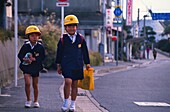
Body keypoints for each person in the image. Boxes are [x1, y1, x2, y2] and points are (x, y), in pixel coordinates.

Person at [55, 15, 91, 111]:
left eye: (73, 26)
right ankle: (66, 101)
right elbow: (59, 52)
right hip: (66, 64)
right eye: (69, 26)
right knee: (68, 81)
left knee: (75, 84)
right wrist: (58, 64)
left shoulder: (81, 38)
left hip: (78, 64)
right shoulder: (63, 39)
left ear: (76, 27)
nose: (71, 28)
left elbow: (85, 52)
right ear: (65, 27)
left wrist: (87, 63)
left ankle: (73, 104)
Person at [18, 25, 45, 108]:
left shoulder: (40, 47)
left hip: (35, 67)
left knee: (35, 84)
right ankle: (28, 100)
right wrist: (24, 59)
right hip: (26, 67)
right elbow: (20, 55)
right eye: (32, 35)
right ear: (28, 36)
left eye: (36, 35)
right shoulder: (25, 46)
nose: (34, 37)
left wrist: (35, 59)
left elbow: (43, 57)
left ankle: (36, 101)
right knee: (27, 83)